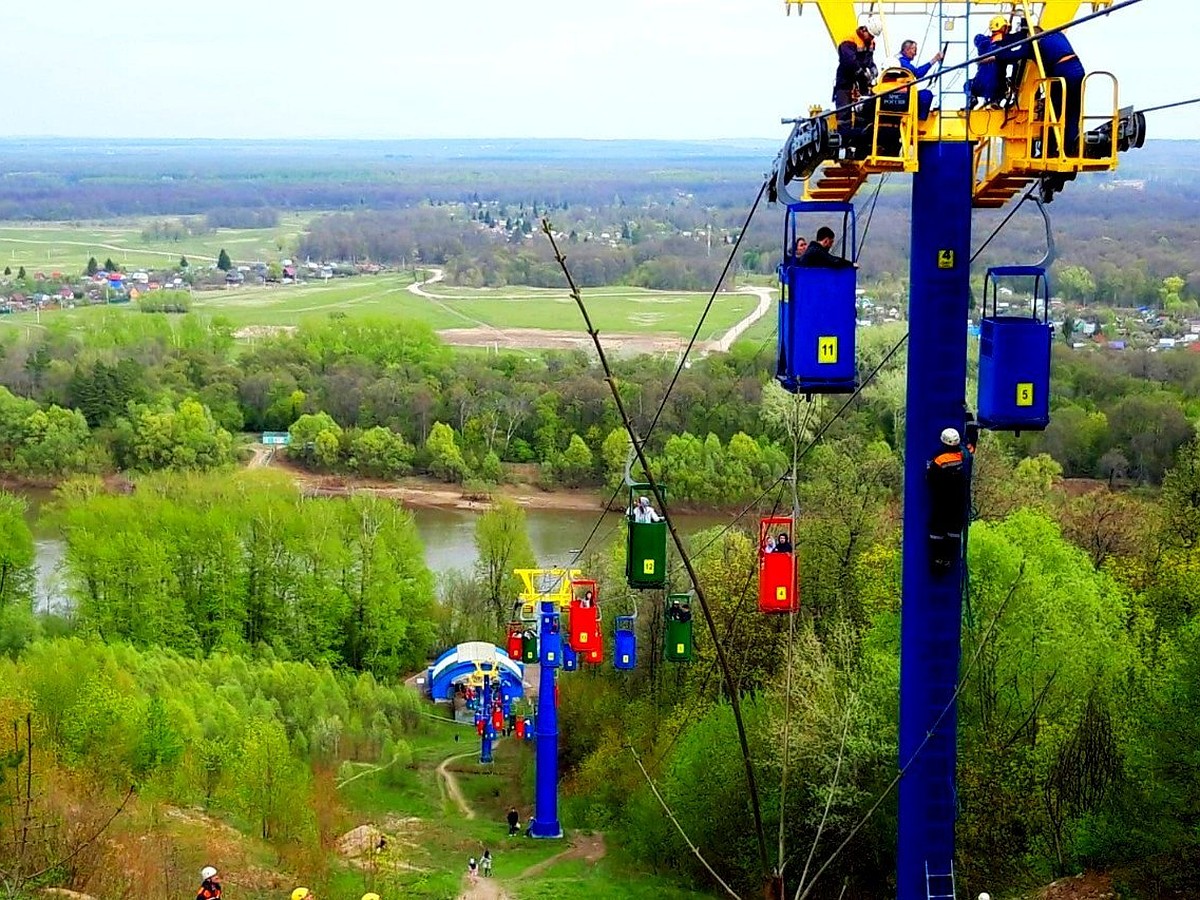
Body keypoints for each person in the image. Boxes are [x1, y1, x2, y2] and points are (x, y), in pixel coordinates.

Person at [1027, 26, 1084, 155]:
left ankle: (1048, 151)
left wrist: (993, 58)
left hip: (1061, 73)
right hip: (1078, 70)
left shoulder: (1036, 43)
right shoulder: (1058, 34)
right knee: (1073, 111)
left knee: (1052, 112)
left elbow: (1014, 54)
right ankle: (1070, 148)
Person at [926, 427, 970, 572]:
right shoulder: (963, 456)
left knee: (937, 531)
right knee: (953, 532)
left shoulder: (939, 460)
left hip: (942, 501)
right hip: (959, 502)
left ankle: (937, 560)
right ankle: (949, 560)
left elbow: (930, 478)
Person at [833, 21, 881, 152]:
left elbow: (869, 59)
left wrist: (872, 68)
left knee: (865, 110)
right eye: (870, 35)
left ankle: (861, 142)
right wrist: (862, 73)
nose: (871, 38)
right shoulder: (848, 40)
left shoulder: (870, 42)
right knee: (844, 112)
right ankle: (845, 144)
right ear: (864, 30)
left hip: (862, 81)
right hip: (846, 80)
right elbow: (849, 62)